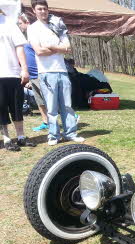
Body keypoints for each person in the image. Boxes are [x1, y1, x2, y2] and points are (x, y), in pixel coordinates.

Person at [27, 0, 84, 146]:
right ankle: (53, 135)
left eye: (45, 9)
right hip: (46, 72)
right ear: (34, 11)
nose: (43, 12)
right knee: (51, 107)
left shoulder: (57, 25)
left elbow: (68, 47)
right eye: (39, 9)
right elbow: (39, 51)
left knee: (67, 106)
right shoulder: (33, 28)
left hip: (62, 70)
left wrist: (51, 46)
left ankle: (70, 133)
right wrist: (59, 48)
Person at [0, 7, 36, 152]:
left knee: (17, 107)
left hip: (13, 73)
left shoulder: (9, 23)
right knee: (1, 107)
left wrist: (24, 69)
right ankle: (7, 139)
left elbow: (19, 48)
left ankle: (21, 137)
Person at [17, 13, 48, 132]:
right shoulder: (25, 37)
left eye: (20, 23)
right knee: (40, 101)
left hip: (41, 73)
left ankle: (71, 116)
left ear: (27, 23)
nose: (19, 26)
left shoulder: (35, 35)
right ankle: (46, 122)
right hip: (32, 76)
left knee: (49, 100)